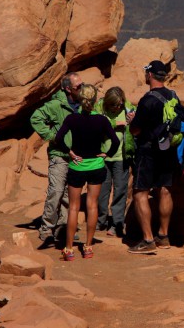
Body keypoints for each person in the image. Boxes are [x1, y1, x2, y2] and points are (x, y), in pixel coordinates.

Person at [55, 84, 120, 260]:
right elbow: (115, 141)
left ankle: (69, 249)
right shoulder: (102, 120)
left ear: (80, 99)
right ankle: (88, 247)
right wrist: (106, 154)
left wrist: (70, 153)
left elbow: (59, 138)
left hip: (78, 165)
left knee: (74, 207)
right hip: (96, 166)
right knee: (92, 205)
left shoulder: (72, 119)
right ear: (94, 99)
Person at [127, 60, 177, 254]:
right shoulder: (173, 95)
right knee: (164, 190)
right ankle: (163, 236)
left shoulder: (148, 99)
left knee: (140, 193)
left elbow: (136, 129)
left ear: (149, 75)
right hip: (168, 149)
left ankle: (148, 239)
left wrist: (133, 121)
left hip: (148, 151)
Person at [30, 72, 83, 244]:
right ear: (68, 89)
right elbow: (35, 118)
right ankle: (46, 227)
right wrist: (53, 136)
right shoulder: (55, 105)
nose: (81, 89)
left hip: (77, 157)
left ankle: (63, 227)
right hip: (59, 155)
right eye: (78, 87)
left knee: (70, 195)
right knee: (56, 191)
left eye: (82, 85)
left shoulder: (83, 104)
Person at [94, 86, 136, 238]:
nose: (117, 108)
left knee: (120, 190)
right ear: (107, 103)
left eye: (119, 104)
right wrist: (115, 125)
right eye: (114, 105)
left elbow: (137, 127)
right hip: (102, 156)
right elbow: (95, 127)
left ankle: (117, 224)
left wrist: (131, 121)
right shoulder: (99, 108)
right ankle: (100, 221)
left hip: (121, 156)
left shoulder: (129, 109)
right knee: (102, 191)